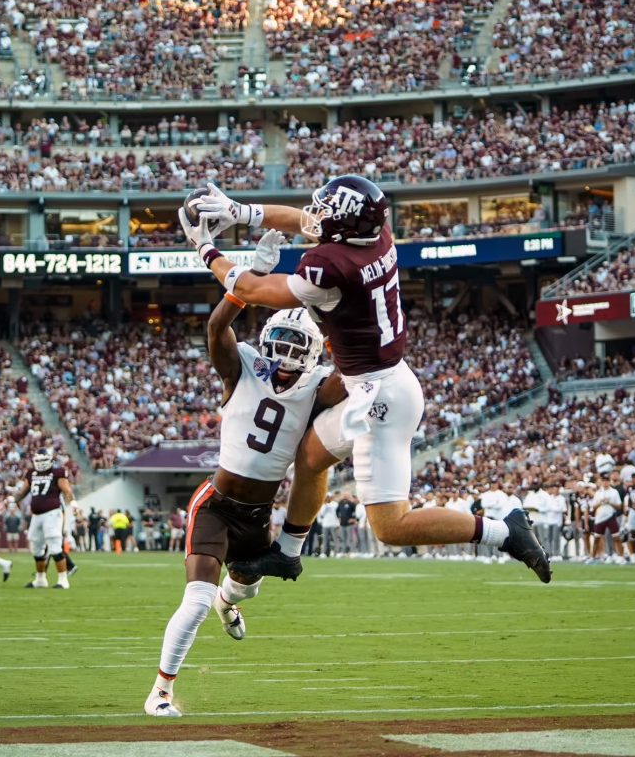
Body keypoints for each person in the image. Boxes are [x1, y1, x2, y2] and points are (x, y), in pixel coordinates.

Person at [184, 176, 550, 584]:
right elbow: (305, 221)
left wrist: (205, 248)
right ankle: (287, 553)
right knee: (310, 456)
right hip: (379, 381)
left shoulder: (329, 269)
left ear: (344, 224)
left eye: (327, 212)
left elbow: (252, 289)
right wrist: (240, 212)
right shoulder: (376, 237)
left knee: (391, 526)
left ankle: (505, 532)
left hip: (380, 398)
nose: (317, 215)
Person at [145, 272, 347, 718]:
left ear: (314, 352)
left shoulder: (318, 387)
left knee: (244, 590)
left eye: (298, 346)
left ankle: (228, 603)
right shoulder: (243, 367)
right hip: (215, 504)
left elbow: (357, 372)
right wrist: (242, 283)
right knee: (195, 600)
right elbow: (217, 327)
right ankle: (160, 691)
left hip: (257, 514)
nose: (287, 355)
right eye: (281, 342)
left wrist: (345, 315)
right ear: (267, 339)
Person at [13, 448, 75, 589]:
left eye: (43, 460)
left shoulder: (57, 472)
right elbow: (23, 492)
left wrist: (71, 503)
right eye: (38, 460)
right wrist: (13, 500)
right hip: (36, 515)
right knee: (36, 547)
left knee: (54, 545)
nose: (41, 464)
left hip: (52, 513)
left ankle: (63, 580)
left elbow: (67, 490)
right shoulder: (31, 473)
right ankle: (40, 579)